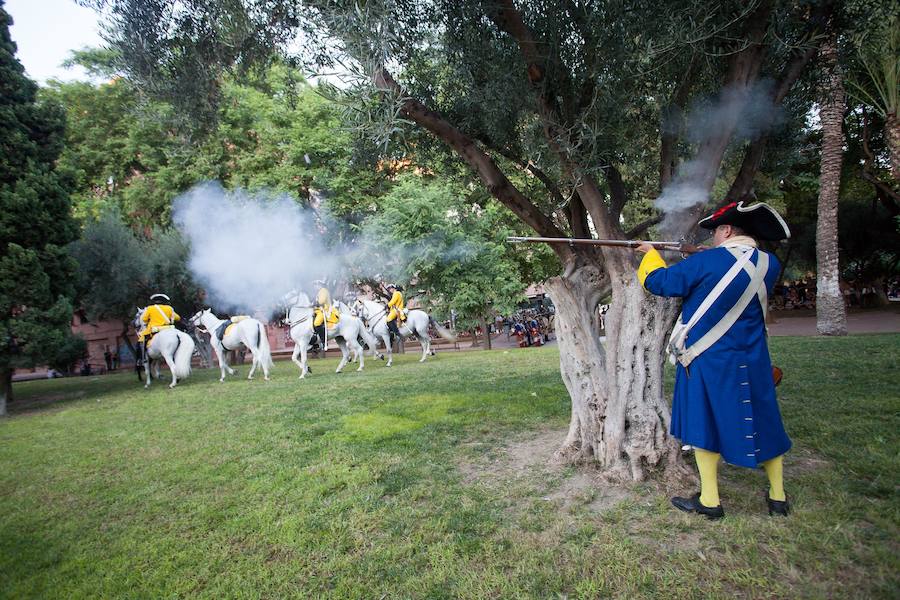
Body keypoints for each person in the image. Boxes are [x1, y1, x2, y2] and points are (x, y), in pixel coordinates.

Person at [636, 200, 792, 519]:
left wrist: (650, 254)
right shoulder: (770, 264)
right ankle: (778, 498)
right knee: (766, 422)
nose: (712, 239)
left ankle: (710, 501)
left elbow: (660, 283)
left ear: (725, 230)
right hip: (754, 358)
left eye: (715, 233)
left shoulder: (708, 263)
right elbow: (727, 277)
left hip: (707, 359)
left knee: (702, 426)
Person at [137, 293, 180, 365]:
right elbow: (178, 318)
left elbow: (144, 319)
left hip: (155, 329)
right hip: (168, 328)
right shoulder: (169, 308)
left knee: (142, 340)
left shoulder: (150, 308)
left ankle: (143, 358)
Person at [313, 280, 339, 347]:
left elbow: (321, 301)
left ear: (320, 285)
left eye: (316, 285)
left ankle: (323, 341)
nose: (315, 286)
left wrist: (314, 303)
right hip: (319, 310)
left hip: (325, 310)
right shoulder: (319, 292)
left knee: (317, 323)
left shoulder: (323, 290)